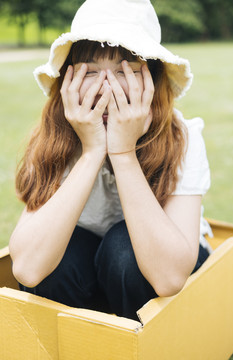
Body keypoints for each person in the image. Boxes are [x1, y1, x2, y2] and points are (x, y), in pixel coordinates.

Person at [9, 0, 212, 321]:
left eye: (125, 71)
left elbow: (170, 277)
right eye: (90, 71)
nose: (107, 88)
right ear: (67, 80)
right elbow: (28, 269)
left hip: (156, 269)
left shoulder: (182, 136)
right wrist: (91, 152)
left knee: (122, 248)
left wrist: (123, 153)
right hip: (85, 269)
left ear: (153, 80)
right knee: (58, 258)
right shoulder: (56, 135)